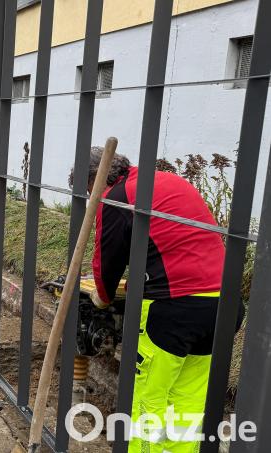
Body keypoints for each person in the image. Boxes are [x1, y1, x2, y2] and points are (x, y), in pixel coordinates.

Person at [70, 147, 244, 453]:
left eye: (88, 190)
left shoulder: (116, 197)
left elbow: (107, 260)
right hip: (224, 304)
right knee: (189, 398)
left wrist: (102, 296)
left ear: (95, 181)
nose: (91, 197)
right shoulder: (161, 180)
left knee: (148, 399)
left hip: (175, 309)